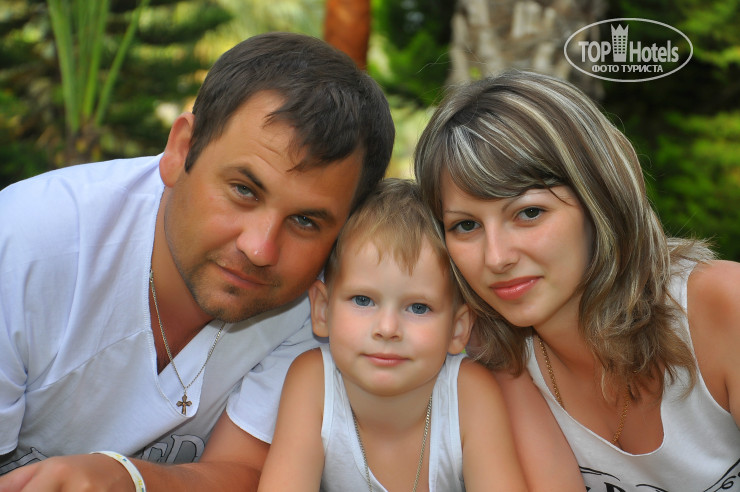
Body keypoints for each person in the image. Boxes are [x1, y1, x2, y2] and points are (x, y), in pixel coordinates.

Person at [0, 31, 394, 492]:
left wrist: (130, 480)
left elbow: (249, 473)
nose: (260, 249)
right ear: (181, 149)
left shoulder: (323, 306)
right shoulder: (26, 248)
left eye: (305, 221)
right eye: (244, 190)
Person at [414, 69, 740, 490]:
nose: (496, 257)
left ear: (598, 198)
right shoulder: (494, 357)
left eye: (529, 213)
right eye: (465, 225)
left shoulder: (722, 305)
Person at [257, 178, 528, 491]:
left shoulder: (468, 393)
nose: (387, 329)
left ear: (457, 328)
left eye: (418, 308)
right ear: (322, 310)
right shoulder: (313, 382)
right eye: (363, 300)